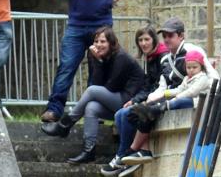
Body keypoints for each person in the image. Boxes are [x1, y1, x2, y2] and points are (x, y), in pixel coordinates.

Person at [45, 0, 148, 122]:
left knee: (99, 69)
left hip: (101, 27)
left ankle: (95, 112)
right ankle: (54, 110)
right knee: (67, 66)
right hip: (76, 25)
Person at [104, 18, 208, 174]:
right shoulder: (167, 58)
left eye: (170, 36)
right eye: (164, 36)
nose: (166, 39)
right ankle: (131, 154)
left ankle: (127, 153)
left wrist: (158, 97)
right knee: (129, 112)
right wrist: (148, 98)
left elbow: (205, 78)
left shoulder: (190, 52)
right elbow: (162, 84)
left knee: (135, 112)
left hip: (189, 100)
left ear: (181, 36)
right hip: (171, 97)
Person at [41, 26, 147, 164]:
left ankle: (64, 125)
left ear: (111, 43)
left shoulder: (121, 57)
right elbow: (98, 82)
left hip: (129, 100)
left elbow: (110, 87)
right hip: (116, 99)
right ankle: (88, 151)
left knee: (92, 91)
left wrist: (98, 61)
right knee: (91, 107)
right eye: (96, 41)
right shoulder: (103, 56)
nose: (98, 45)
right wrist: (96, 60)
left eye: (103, 42)